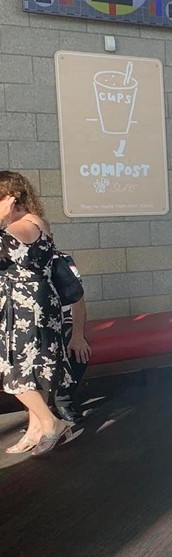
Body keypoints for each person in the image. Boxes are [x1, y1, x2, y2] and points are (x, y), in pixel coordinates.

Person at [0, 171, 71, 456]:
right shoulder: (34, 223)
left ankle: (51, 422)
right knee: (35, 367)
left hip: (25, 306)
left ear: (11, 198)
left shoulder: (20, 227)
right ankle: (36, 429)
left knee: (13, 371)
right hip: (36, 302)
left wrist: (3, 218)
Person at [52, 252, 91, 425]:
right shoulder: (11, 257)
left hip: (62, 319)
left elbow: (77, 299)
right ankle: (41, 409)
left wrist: (77, 335)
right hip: (27, 324)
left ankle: (62, 401)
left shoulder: (61, 259)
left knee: (77, 348)